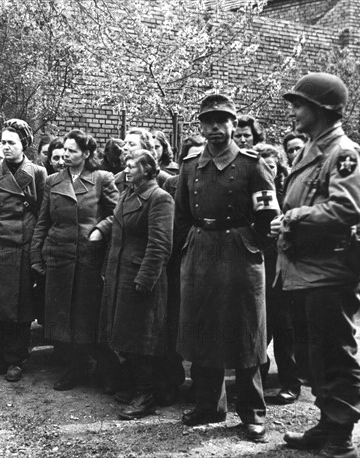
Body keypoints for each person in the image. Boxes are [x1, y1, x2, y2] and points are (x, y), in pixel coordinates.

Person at [271, 73, 360, 458]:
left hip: (329, 273)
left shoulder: (342, 153)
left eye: (299, 104)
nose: (294, 111)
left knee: (334, 354)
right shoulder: (314, 148)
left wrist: (294, 217)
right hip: (305, 272)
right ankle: (327, 422)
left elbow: (347, 209)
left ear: (320, 109)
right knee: (315, 356)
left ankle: (341, 435)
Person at [174, 94, 279, 441]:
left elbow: (268, 218)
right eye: (208, 121)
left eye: (222, 121)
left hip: (240, 255)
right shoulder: (190, 165)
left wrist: (249, 245)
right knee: (203, 327)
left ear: (235, 124)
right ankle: (209, 405)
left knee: (246, 332)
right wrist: (187, 249)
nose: (215, 128)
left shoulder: (252, 164)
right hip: (202, 251)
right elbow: (181, 216)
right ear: (200, 126)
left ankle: (252, 412)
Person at [31, 129, 119, 392]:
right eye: (64, 151)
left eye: (72, 151)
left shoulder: (102, 178)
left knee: (86, 317)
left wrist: (100, 229)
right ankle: (76, 367)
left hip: (88, 258)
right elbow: (43, 221)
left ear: (87, 154)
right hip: (59, 256)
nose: (66, 156)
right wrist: (36, 255)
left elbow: (118, 215)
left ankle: (106, 370)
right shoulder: (53, 181)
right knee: (62, 317)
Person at [0, 119, 47, 383]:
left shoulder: (37, 173)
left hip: (22, 247)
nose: (5, 147)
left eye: (11, 143)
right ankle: (1, 355)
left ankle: (16, 358)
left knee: (21, 308)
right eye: (3, 142)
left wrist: (36, 249)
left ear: (24, 144)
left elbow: (41, 214)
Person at [99, 150, 174, 419]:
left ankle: (146, 394)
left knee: (143, 340)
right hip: (121, 274)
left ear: (149, 169)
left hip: (141, 279)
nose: (127, 170)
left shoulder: (159, 198)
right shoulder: (128, 194)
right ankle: (136, 386)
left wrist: (144, 279)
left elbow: (160, 245)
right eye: (126, 165)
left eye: (133, 166)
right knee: (125, 336)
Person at [254, 143, 302, 404]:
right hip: (257, 265)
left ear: (279, 167)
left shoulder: (288, 195)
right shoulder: (253, 195)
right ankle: (256, 380)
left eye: (271, 167)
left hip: (282, 268)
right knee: (258, 328)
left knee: (284, 328)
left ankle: (290, 383)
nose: (266, 172)